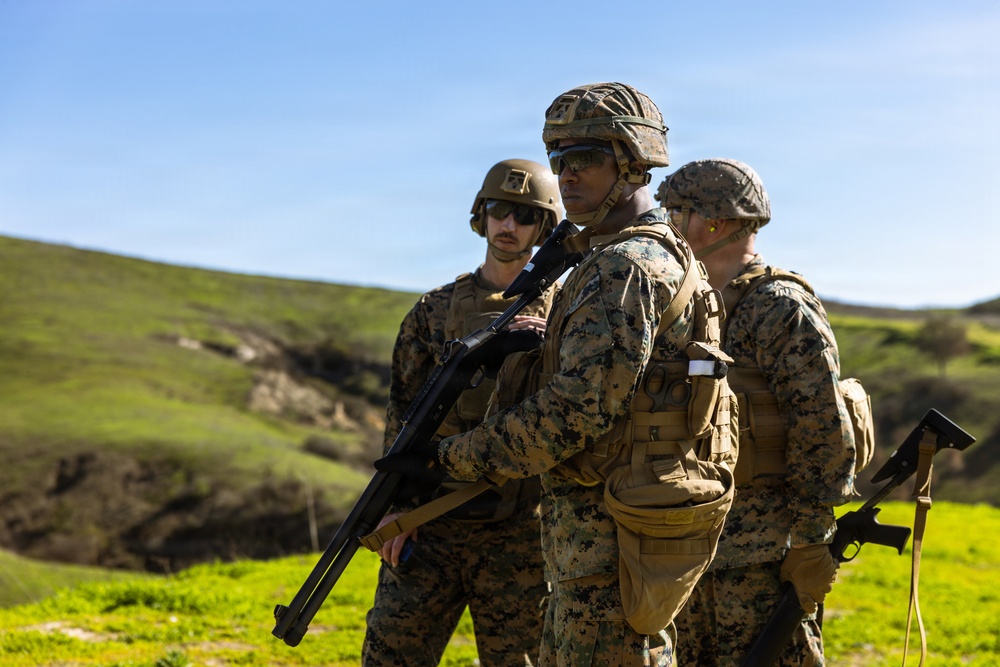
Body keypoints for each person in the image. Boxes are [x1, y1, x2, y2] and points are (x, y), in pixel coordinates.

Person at [378, 82, 739, 666]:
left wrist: (447, 460)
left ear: (631, 166)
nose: (568, 176)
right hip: (622, 530)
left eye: (587, 159)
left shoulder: (621, 267)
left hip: (606, 542)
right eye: (560, 160)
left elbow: (576, 410)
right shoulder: (653, 254)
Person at [656, 158, 856, 666]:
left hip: (765, 557)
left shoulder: (780, 307)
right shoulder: (687, 306)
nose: (666, 224)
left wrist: (811, 542)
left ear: (715, 223)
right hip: (692, 546)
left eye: (675, 212)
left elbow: (823, 431)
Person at [362, 159, 562, 666]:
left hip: (522, 530)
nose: (509, 225)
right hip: (431, 524)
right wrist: (392, 509)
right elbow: (402, 413)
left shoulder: (568, 312)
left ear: (544, 227)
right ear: (482, 214)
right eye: (499, 210)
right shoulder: (434, 309)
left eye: (524, 214)